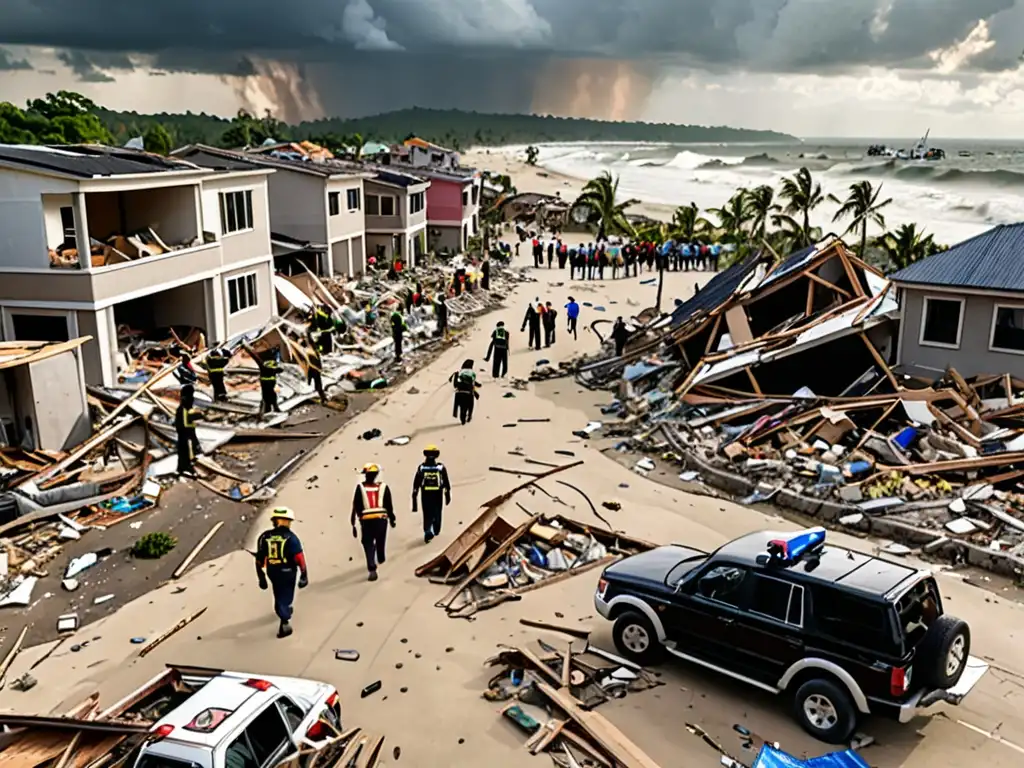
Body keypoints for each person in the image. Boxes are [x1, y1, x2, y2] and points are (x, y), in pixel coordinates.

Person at [255, 507, 309, 638]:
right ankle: (284, 621)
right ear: (285, 521)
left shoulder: (264, 536)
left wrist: (261, 577)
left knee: (278, 591)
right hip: (288, 571)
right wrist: (304, 574)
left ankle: (282, 608)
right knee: (286, 594)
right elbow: (299, 557)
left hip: (272, 571)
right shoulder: (291, 538)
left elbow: (259, 560)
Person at [351, 464, 395, 582]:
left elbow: (356, 505)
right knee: (381, 539)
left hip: (367, 520)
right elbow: (388, 504)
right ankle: (380, 556)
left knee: (368, 543)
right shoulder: (384, 487)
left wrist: (356, 521)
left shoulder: (360, 487)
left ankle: (372, 568)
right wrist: (392, 518)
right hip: (381, 519)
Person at [412, 444, 452, 543]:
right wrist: (447, 494)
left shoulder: (422, 468)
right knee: (437, 511)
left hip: (426, 493)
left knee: (427, 513)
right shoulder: (440, 467)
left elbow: (416, 483)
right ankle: (434, 529)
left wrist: (414, 498)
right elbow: (446, 481)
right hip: (437, 493)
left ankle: (428, 530)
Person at [243, 343, 280, 417]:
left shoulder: (263, 363)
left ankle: (269, 409)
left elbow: (255, 357)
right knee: (271, 395)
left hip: (266, 382)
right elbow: (277, 368)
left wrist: (247, 348)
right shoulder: (272, 362)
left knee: (267, 396)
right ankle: (273, 409)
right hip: (270, 381)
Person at [174, 385, 201, 476]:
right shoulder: (185, 408)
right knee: (188, 451)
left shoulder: (181, 408)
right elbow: (189, 419)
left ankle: (181, 468)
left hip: (184, 432)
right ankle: (187, 467)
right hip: (186, 432)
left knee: (183, 451)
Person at [450, 359, 480, 424]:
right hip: (468, 393)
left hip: (460, 393)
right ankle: (469, 415)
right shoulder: (472, 374)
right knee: (470, 405)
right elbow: (472, 383)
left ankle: (462, 419)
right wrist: (477, 386)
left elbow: (455, 385)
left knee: (461, 407)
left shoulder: (458, 373)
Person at [305, 332, 327, 403]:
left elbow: (311, 341)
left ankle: (323, 397)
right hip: (315, 368)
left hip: (315, 369)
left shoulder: (312, 350)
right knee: (317, 384)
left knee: (318, 384)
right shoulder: (311, 351)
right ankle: (322, 397)